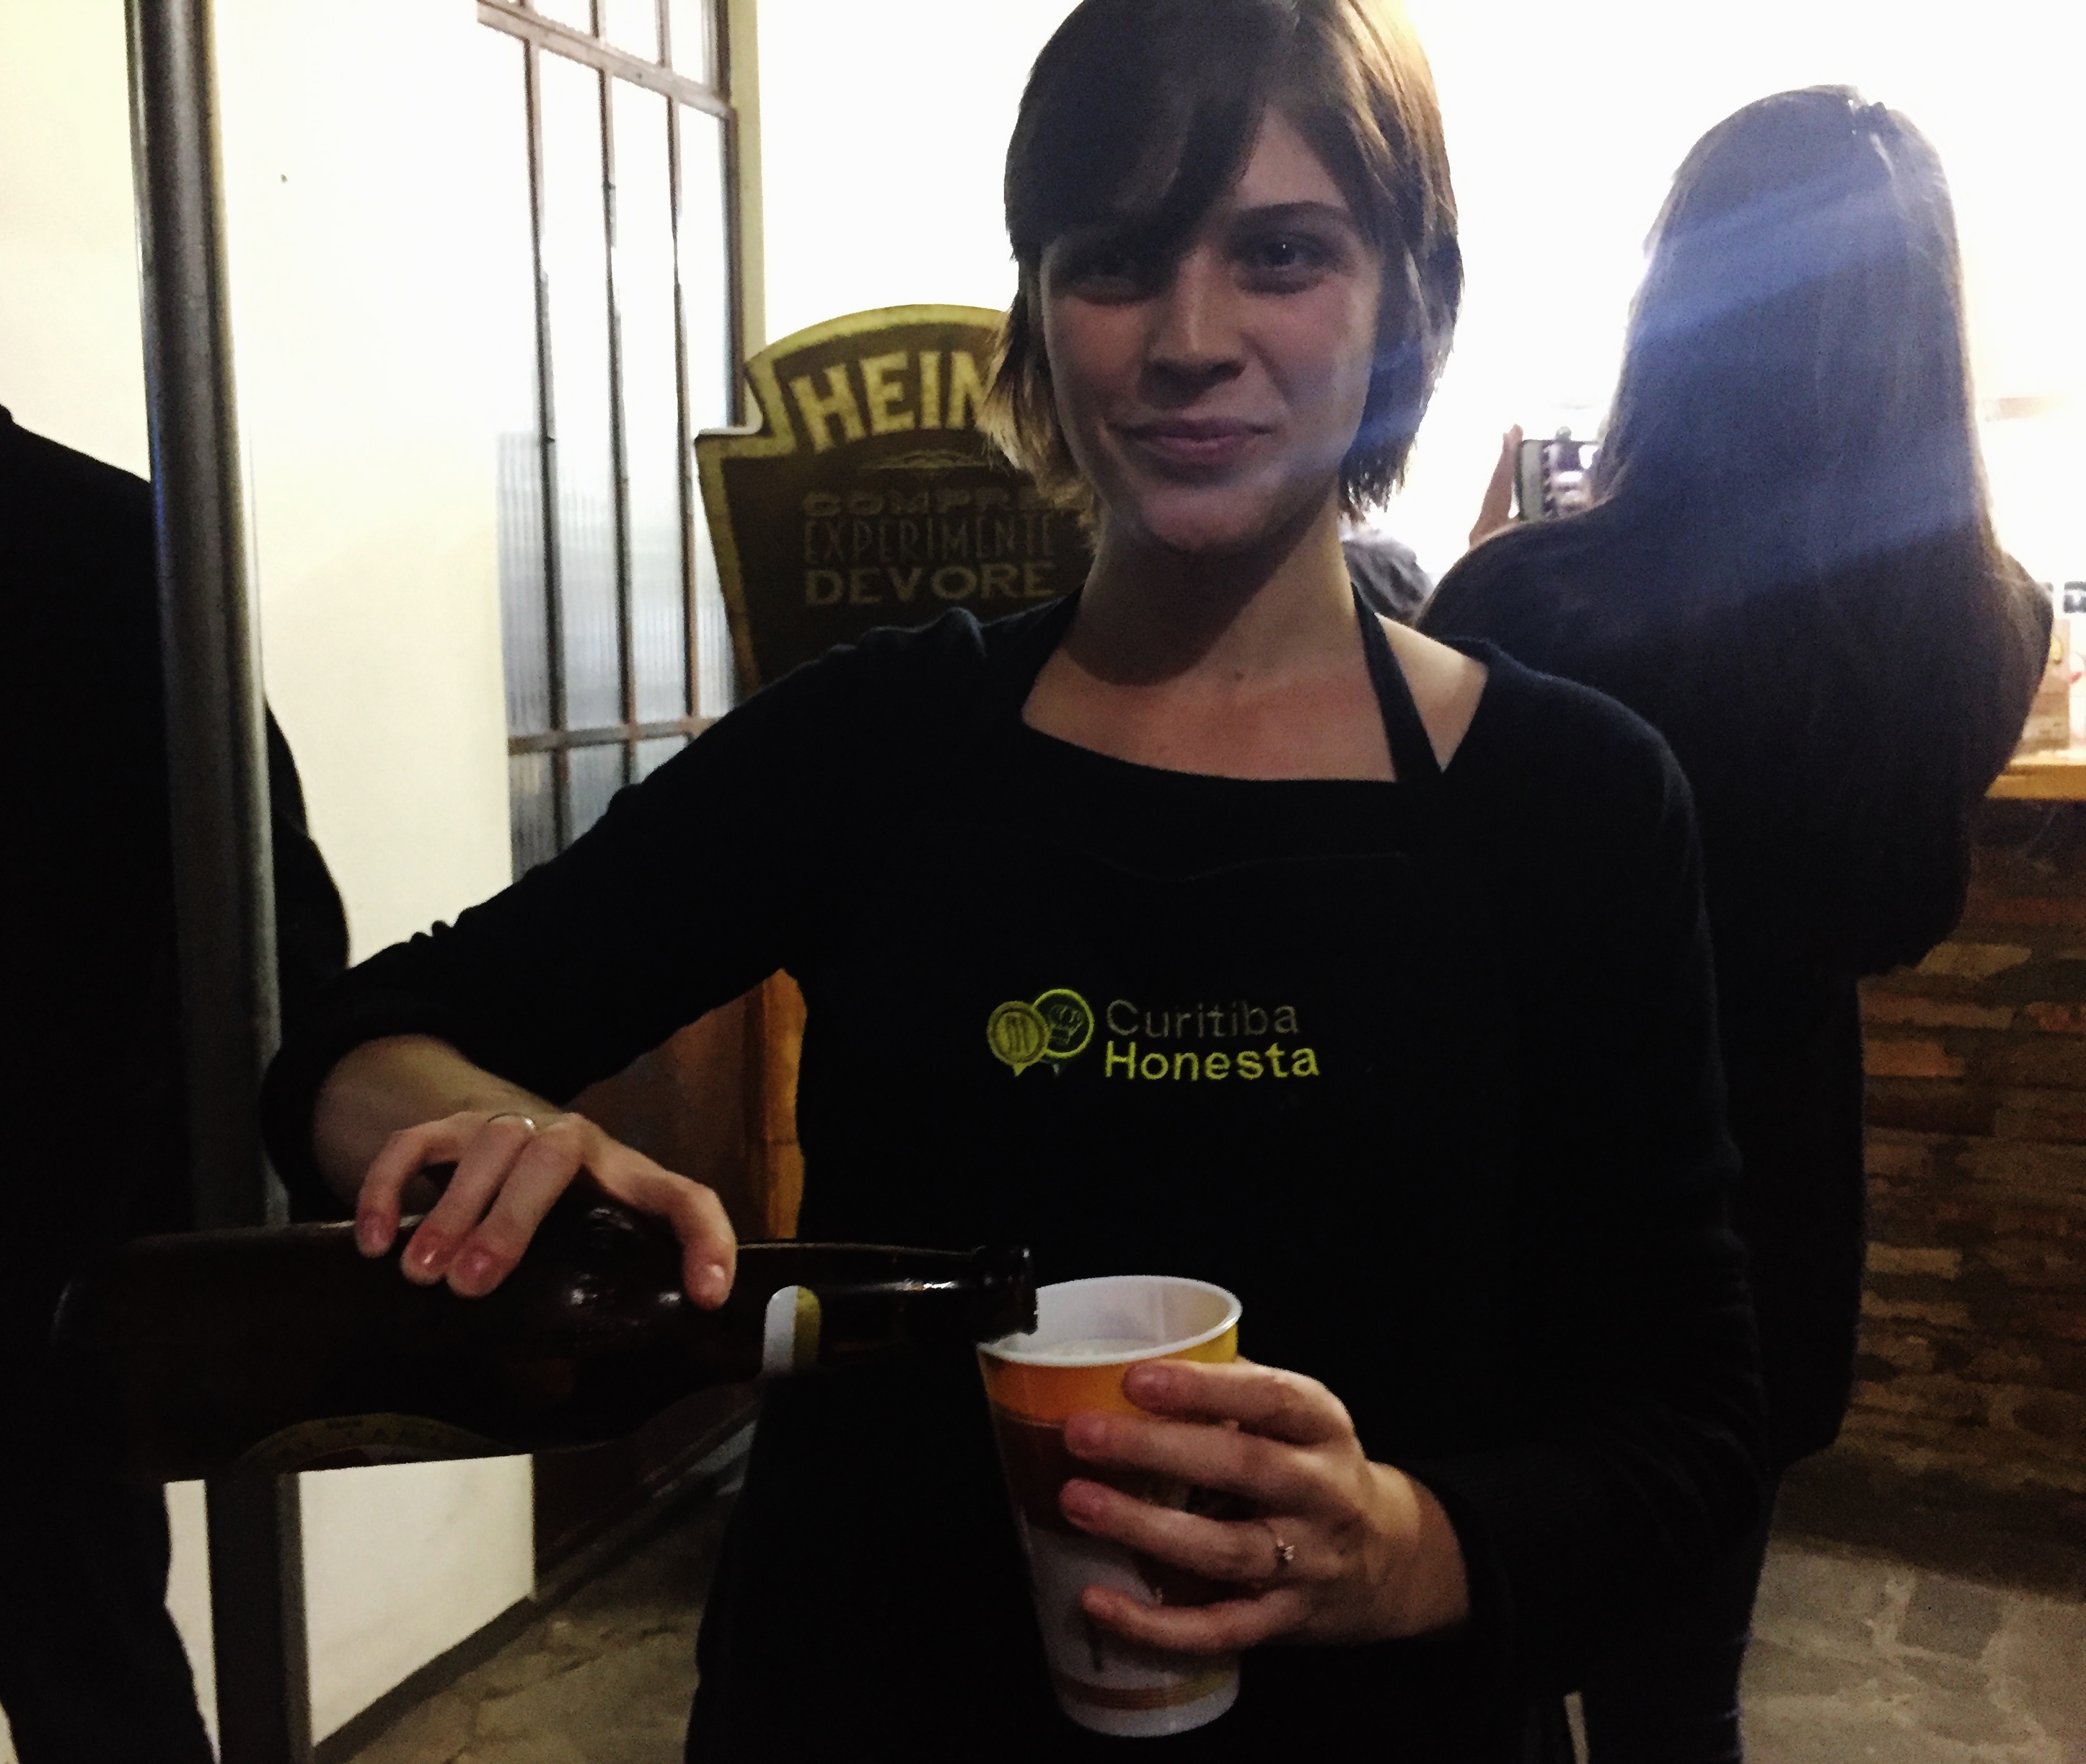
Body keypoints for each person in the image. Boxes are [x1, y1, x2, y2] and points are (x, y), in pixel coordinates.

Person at [261, 3, 1764, 1758]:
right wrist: (490, 1135)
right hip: (863, 1705)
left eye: (1282, 254)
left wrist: (1404, 1546)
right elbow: (357, 1044)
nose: (1190, 338)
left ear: (1408, 300)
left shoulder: (1572, 801)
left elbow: (1690, 1426)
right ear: (1039, 312)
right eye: (1114, 258)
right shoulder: (884, 738)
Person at [1422, 89, 2050, 1764]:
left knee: (1478, 1678)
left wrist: (1472, 582)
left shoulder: (1527, 604)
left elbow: (1445, 906)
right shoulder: (1987, 622)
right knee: (1680, 1703)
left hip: (1525, 1222)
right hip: (1770, 1235)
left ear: (1681, 308)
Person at [0, 405, 349, 1763]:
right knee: (95, 1669)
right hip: (54, 1271)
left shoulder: (110, 547)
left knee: (91, 1666)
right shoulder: (110, 541)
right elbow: (280, 948)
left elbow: (267, 945)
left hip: (46, 1283)